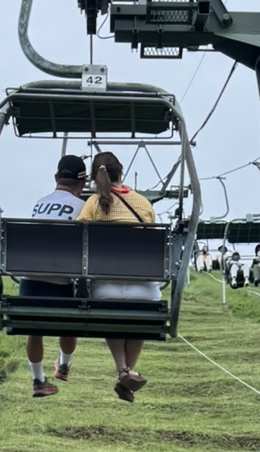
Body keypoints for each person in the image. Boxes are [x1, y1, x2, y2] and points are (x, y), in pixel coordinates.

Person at [77, 151, 158, 402]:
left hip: (105, 288)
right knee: (138, 318)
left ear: (95, 176)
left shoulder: (93, 203)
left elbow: (77, 238)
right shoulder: (143, 203)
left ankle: (123, 370)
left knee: (113, 313)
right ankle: (126, 372)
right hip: (145, 289)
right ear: (121, 171)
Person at [20, 153, 87, 396]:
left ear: (56, 177)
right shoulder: (82, 207)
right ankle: (64, 364)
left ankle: (38, 379)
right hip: (61, 283)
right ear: (82, 182)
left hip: (30, 282)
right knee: (68, 325)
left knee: (34, 330)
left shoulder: (39, 204)